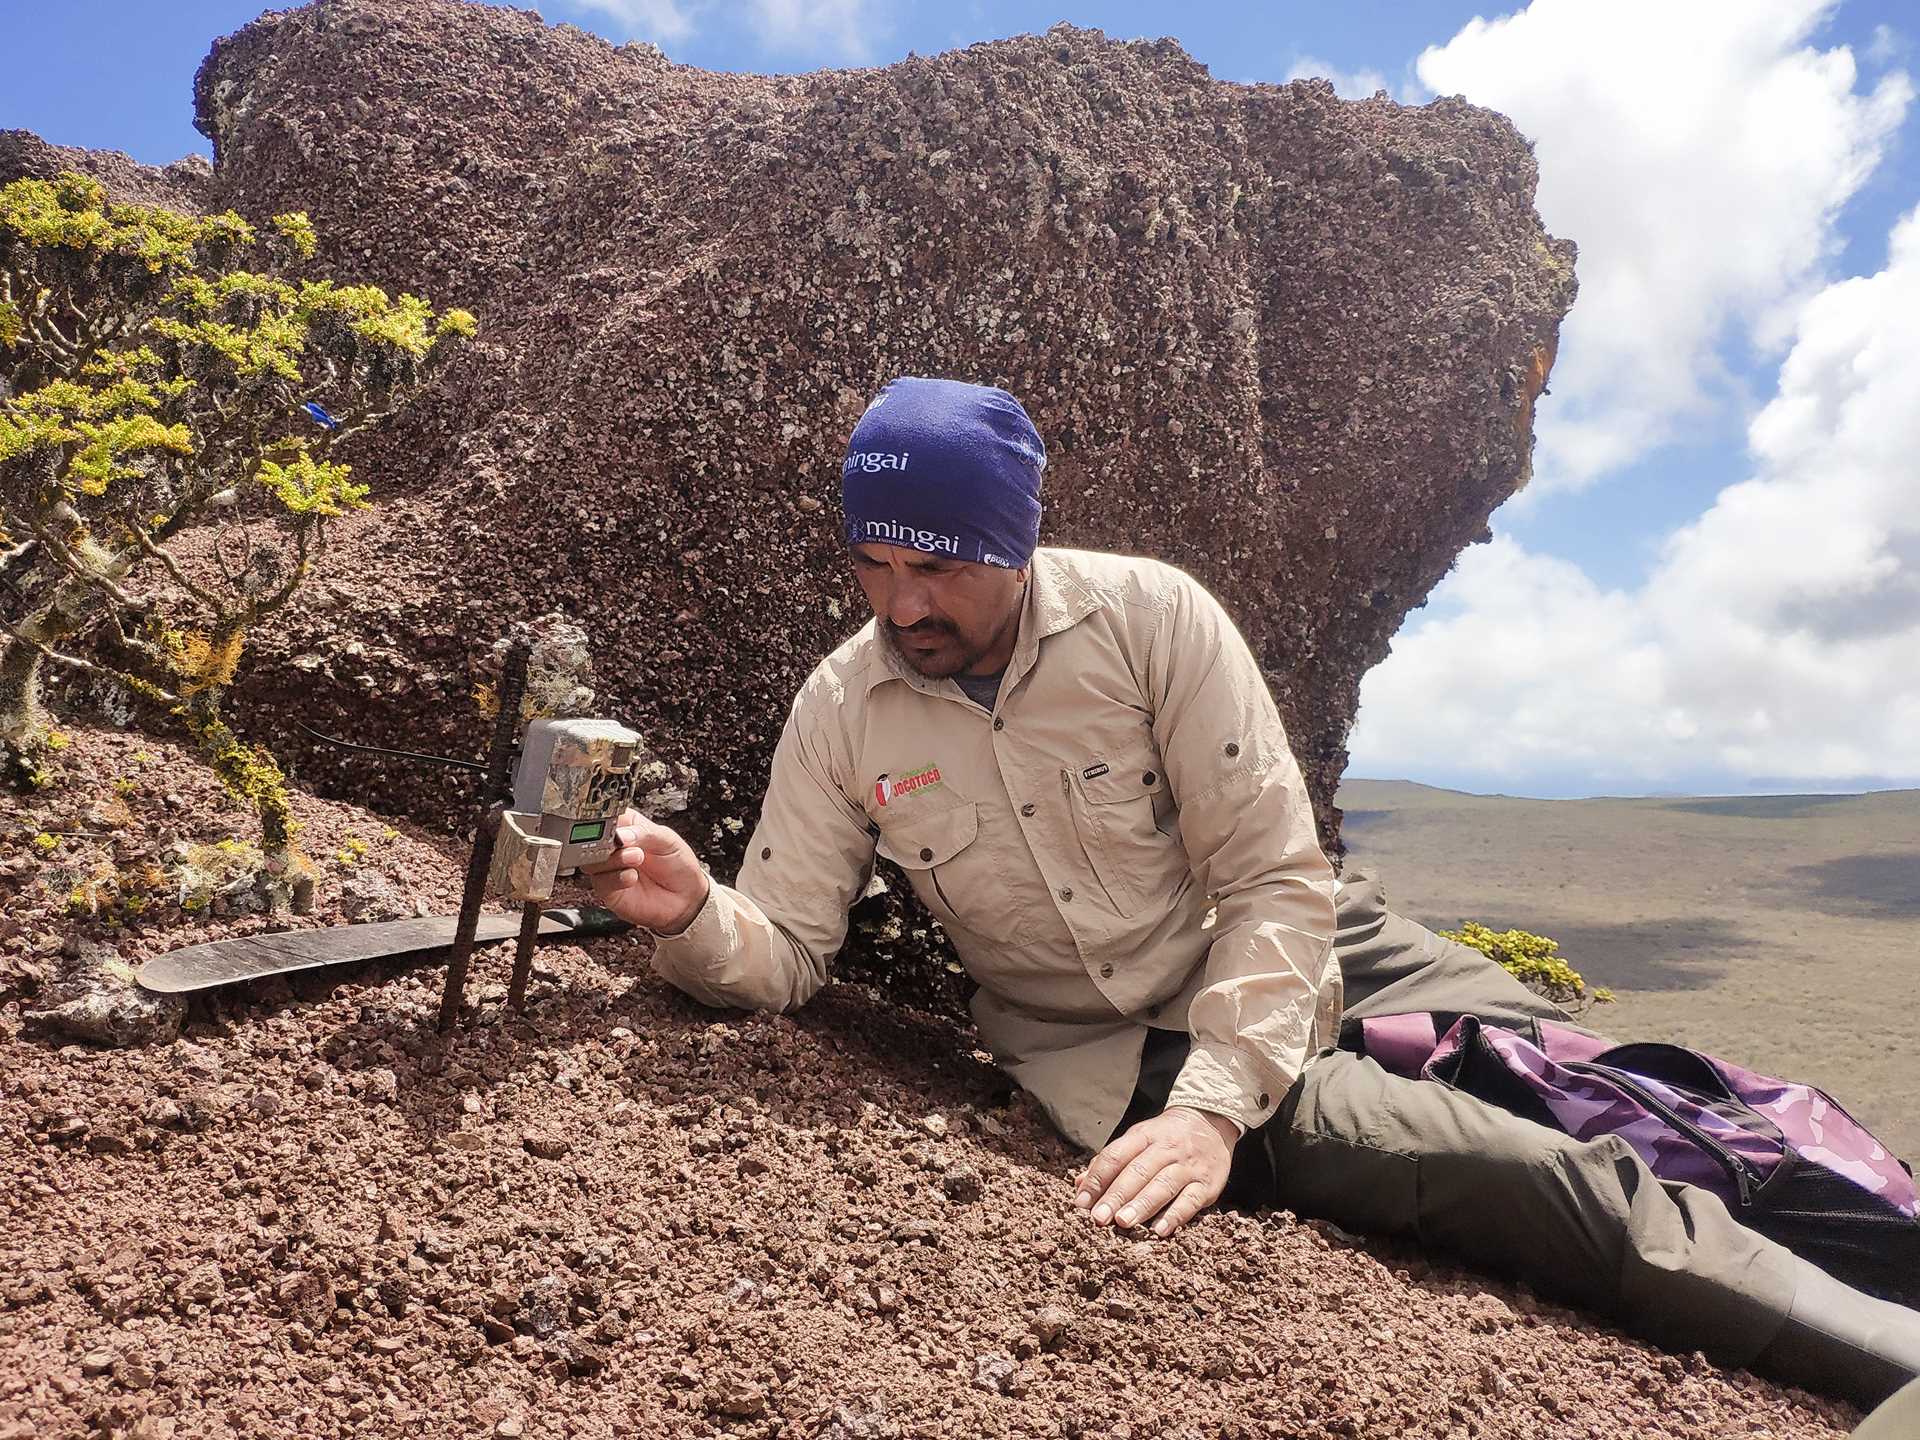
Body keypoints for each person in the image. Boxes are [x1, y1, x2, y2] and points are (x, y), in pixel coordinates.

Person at [585, 376, 1920, 1409]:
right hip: (1127, 1045)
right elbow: (789, 949)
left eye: (937, 566)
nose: (902, 603)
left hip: (1303, 942)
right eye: (874, 566)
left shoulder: (1150, 622)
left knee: (1619, 1076)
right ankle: (1893, 1363)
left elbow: (1277, 877)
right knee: (1563, 1186)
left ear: (1015, 540)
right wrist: (696, 913)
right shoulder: (845, 706)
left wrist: (1223, 1107)